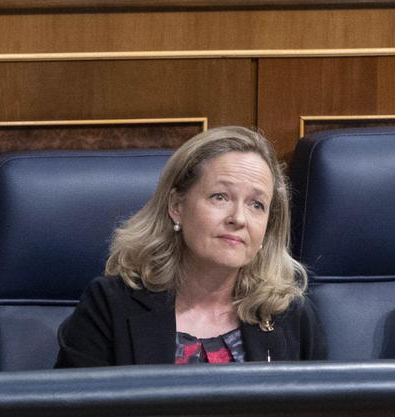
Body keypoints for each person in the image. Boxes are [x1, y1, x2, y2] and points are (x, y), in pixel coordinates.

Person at [55, 126, 326, 367]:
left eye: (257, 205)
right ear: (177, 206)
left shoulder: (289, 316)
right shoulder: (111, 306)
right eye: (220, 197)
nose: (239, 219)